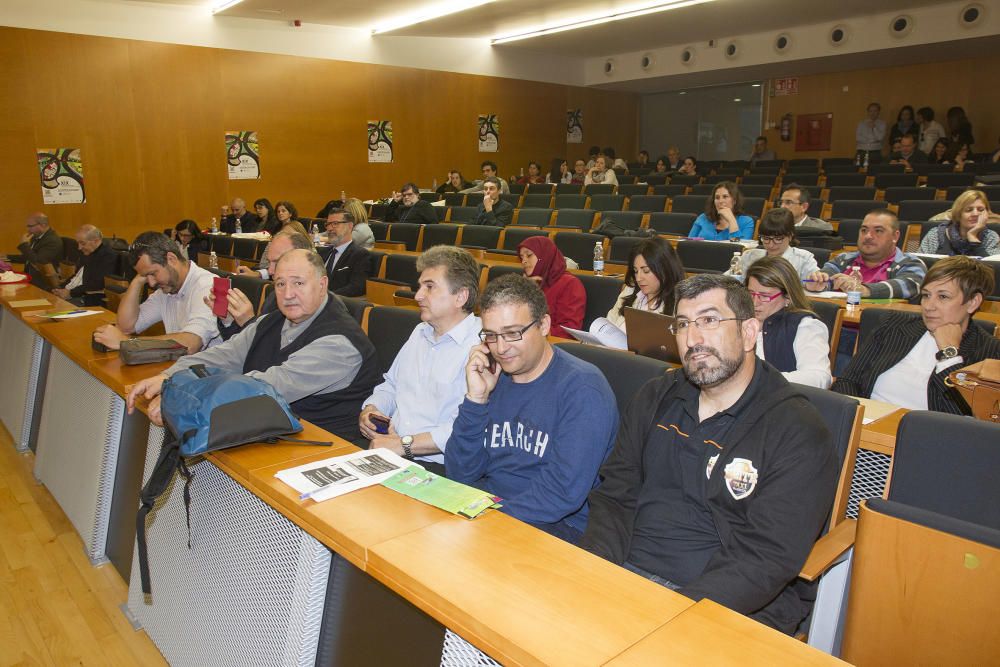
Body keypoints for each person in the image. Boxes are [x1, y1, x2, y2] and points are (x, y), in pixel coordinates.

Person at [579, 273, 838, 634]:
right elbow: (616, 494)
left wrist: (673, 615)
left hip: (722, 603)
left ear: (749, 333)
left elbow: (766, 557)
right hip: (624, 569)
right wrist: (594, 570)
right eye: (683, 324)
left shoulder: (797, 430)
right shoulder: (657, 396)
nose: (693, 339)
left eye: (710, 320)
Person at [127, 249, 381, 440]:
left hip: (328, 448)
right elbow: (223, 356)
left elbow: (264, 387)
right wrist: (167, 376)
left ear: (323, 284)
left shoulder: (339, 342)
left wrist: (181, 397)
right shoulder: (271, 321)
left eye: (299, 283)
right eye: (280, 284)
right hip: (279, 433)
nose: (288, 293)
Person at [445, 274, 618, 543]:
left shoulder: (584, 389)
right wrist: (476, 399)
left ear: (544, 325)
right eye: (491, 336)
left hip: (556, 527)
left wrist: (488, 518)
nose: (501, 348)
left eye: (513, 333)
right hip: (492, 509)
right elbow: (459, 472)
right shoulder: (493, 380)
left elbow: (561, 495)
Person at [360, 246, 483, 475]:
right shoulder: (420, 331)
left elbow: (465, 428)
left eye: (429, 287)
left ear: (461, 296)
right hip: (394, 453)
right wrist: (372, 408)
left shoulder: (482, 346)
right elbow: (392, 385)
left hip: (443, 468)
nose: (417, 295)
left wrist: (403, 445)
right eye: (420, 287)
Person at [832, 256, 1000, 414]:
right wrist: (856, 420)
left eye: (943, 296)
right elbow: (847, 381)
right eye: (926, 295)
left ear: (972, 302)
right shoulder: (894, 325)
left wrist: (949, 355)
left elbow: (963, 420)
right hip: (866, 429)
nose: (929, 306)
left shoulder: (990, 352)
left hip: (924, 439)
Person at [93, 232, 219, 354]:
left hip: (211, 371)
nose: (151, 283)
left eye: (153, 273)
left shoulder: (207, 286)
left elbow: (191, 344)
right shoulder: (166, 290)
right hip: (181, 366)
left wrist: (127, 342)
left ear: (171, 259)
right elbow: (126, 327)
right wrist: (137, 281)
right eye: (145, 276)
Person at [210, 230, 314, 341]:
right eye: (269, 262)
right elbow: (243, 346)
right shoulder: (274, 296)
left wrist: (249, 321)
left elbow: (279, 351)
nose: (270, 271)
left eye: (278, 262)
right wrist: (229, 320)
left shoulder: (313, 304)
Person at [745, 256, 832, 388]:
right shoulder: (736, 321)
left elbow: (819, 378)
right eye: (750, 294)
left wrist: (759, 381)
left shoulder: (805, 326)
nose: (755, 302)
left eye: (765, 296)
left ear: (787, 297)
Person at [805, 209, 926, 299]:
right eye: (864, 230)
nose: (868, 236)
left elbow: (908, 285)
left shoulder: (911, 263)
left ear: (895, 236)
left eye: (878, 231)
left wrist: (863, 289)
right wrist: (817, 283)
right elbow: (826, 276)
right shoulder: (843, 259)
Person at [605, 237, 684, 333]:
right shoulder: (629, 291)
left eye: (646, 271)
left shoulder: (682, 302)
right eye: (636, 271)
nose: (638, 278)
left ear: (665, 269)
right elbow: (608, 325)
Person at [517, 236, 585, 339]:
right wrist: (523, 290)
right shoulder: (527, 282)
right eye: (522, 257)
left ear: (544, 256)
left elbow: (568, 330)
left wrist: (530, 334)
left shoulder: (570, 284)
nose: (524, 261)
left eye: (529, 255)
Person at [726, 208, 819, 280]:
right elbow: (727, 279)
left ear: (790, 236)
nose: (771, 245)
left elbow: (818, 283)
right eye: (766, 238)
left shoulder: (804, 259)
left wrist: (815, 284)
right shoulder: (750, 256)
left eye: (778, 239)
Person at [919, 190, 999, 257]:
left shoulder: (991, 237)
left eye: (981, 210)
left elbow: (993, 269)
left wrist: (973, 237)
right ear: (958, 214)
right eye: (969, 210)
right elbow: (919, 264)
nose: (975, 214)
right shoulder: (935, 234)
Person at [52, 224, 117, 306]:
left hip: (90, 299)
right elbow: (77, 276)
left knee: (54, 308)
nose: (79, 247)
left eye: (82, 243)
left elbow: (98, 284)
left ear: (96, 241)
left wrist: (70, 293)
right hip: (75, 294)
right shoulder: (87, 253)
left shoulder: (108, 256)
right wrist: (61, 288)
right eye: (78, 243)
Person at [239, 220, 309, 280]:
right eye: (282, 234)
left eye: (288, 235)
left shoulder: (309, 256)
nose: (270, 271)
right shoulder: (273, 244)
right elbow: (263, 265)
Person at [322, 208, 369, 296]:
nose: (329, 228)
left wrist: (326, 297)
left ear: (350, 226)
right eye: (328, 224)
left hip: (338, 303)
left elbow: (356, 287)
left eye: (335, 224)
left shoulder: (360, 255)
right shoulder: (322, 253)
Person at [688, 181, 755, 241]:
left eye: (725, 196)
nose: (720, 201)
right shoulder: (703, 218)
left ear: (734, 201)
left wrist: (731, 220)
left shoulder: (747, 221)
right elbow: (688, 243)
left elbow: (741, 248)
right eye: (717, 198)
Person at [16, 212, 63, 290]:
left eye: (30, 226)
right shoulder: (37, 236)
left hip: (43, 282)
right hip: (30, 277)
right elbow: (28, 257)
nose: (28, 229)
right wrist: (6, 257)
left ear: (43, 225)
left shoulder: (52, 240)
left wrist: (24, 245)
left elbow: (38, 262)